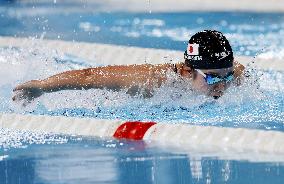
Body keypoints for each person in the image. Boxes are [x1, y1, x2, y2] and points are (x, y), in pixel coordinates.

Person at [12, 30, 244, 104]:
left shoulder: (235, 76)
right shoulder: (153, 82)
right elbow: (90, 76)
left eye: (228, 76)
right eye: (213, 78)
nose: (223, 86)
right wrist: (42, 87)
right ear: (186, 71)